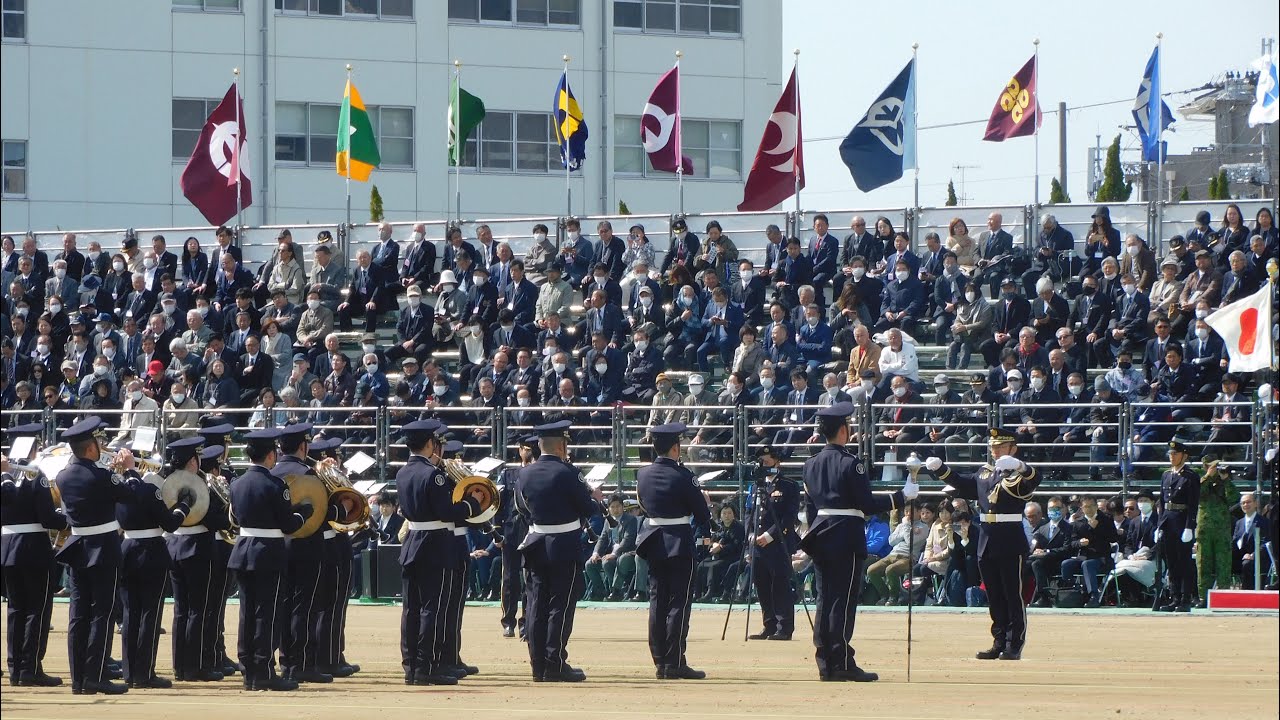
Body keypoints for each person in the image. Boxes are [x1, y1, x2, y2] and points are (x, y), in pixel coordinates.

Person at [801, 402, 916, 682]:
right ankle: (840, 661)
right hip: (845, 535)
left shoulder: (810, 464)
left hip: (821, 534)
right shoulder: (852, 464)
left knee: (824, 600)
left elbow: (810, 507)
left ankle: (825, 661)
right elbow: (865, 504)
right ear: (844, 430)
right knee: (842, 601)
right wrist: (901, 497)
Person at [924, 428, 1041, 660]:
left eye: (1000, 447)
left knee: (1012, 594)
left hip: (1009, 539)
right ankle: (998, 640)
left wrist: (1021, 466)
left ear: (1012, 449)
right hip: (986, 539)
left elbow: (1035, 479)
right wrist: (940, 470)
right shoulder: (985, 473)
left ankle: (1013, 643)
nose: (995, 451)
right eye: (993, 447)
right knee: (994, 595)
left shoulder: (1018, 476)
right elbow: (963, 484)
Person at [53, 417, 138, 695]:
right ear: (90, 449)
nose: (102, 447)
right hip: (102, 546)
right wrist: (129, 470)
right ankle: (96, 674)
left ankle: (78, 678)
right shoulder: (101, 475)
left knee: (78, 614)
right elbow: (129, 495)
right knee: (101, 612)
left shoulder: (63, 476)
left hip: (78, 546)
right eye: (98, 444)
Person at [397, 419, 483, 686]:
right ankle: (428, 665)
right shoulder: (432, 474)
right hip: (435, 544)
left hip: (413, 542)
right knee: (432, 608)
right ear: (430, 444)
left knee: (411, 608)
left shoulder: (403, 473)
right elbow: (448, 511)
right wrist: (472, 503)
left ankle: (411, 665)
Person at [515, 419, 601, 682]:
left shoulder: (525, 473)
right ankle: (554, 661)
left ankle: (537, 664)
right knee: (560, 606)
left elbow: (522, 508)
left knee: (537, 604)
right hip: (563, 543)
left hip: (537, 541)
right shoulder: (568, 472)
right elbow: (587, 508)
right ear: (562, 445)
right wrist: (595, 499)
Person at [227, 428, 309, 691]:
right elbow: (288, 525)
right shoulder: (275, 485)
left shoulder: (237, 483)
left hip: (243, 549)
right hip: (267, 552)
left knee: (247, 612)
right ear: (272, 455)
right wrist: (303, 514)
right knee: (267, 613)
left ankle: (248, 667)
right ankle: (263, 668)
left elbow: (235, 519)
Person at [633, 422, 713, 680]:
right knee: (678, 602)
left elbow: (644, 506)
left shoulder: (642, 475)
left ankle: (660, 660)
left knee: (658, 600)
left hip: (654, 539)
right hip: (678, 539)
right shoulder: (683, 475)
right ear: (676, 448)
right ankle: (675, 660)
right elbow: (701, 514)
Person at [117, 438, 194, 689]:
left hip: (127, 548)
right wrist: (184, 504)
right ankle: (144, 673)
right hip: (150, 551)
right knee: (150, 613)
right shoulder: (149, 490)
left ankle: (129, 671)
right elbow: (170, 523)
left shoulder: (116, 486)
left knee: (130, 613)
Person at [1, 423, 68, 687]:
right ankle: (30, 668)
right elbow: (48, 517)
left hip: (8, 549)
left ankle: (15, 667)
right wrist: (66, 519)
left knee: (16, 610)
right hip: (32, 549)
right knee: (36, 610)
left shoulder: (5, 476)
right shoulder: (34, 476)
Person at [166, 441, 232, 683]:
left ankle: (180, 666)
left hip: (175, 547)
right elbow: (218, 520)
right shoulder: (200, 486)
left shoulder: (168, 483)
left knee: (181, 611)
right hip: (198, 551)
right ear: (193, 461)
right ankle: (196, 666)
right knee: (198, 610)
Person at [747, 445, 800, 641]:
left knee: (780, 584)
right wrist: (751, 534)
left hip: (778, 544)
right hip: (758, 544)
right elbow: (749, 514)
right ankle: (768, 624)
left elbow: (788, 517)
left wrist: (769, 536)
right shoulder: (757, 486)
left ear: (777, 461)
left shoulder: (788, 485)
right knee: (761, 584)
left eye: (767, 460)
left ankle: (784, 626)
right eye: (761, 460)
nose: (764, 463)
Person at [497, 435, 536, 638]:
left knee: (530, 577)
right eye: (525, 449)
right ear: (519, 450)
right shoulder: (508, 473)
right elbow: (499, 503)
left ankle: (526, 621)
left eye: (532, 449)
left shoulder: (538, 473)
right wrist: (496, 531)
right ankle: (508, 621)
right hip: (511, 531)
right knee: (510, 578)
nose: (528, 453)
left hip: (530, 530)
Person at [1155, 439, 1199, 613]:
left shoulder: (1190, 476)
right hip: (1167, 521)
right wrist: (1159, 525)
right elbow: (1161, 501)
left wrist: (1190, 526)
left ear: (1184, 456)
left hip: (1182, 521)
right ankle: (1174, 598)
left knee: (1184, 562)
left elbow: (1193, 504)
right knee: (1172, 562)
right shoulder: (1166, 475)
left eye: (1175, 454)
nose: (1172, 457)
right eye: (1170, 454)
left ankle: (1185, 599)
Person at [1194, 455, 1238, 607]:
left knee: (1223, 564)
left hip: (1222, 530)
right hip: (1205, 530)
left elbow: (1234, 498)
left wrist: (1225, 479)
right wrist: (1207, 477)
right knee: (1203, 564)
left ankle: (1223, 596)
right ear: (1205, 467)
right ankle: (1203, 598)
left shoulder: (1225, 483)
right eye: (1212, 466)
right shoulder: (1201, 481)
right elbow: (1196, 495)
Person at [586, 493, 640, 601]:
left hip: (627, 554)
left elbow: (627, 540)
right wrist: (595, 553)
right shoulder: (607, 521)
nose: (615, 509)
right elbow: (602, 539)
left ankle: (615, 591)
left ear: (622, 507)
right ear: (608, 509)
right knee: (589, 564)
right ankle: (601, 591)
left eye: (618, 506)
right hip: (611, 554)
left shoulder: (630, 520)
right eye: (612, 507)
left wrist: (614, 554)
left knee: (607, 563)